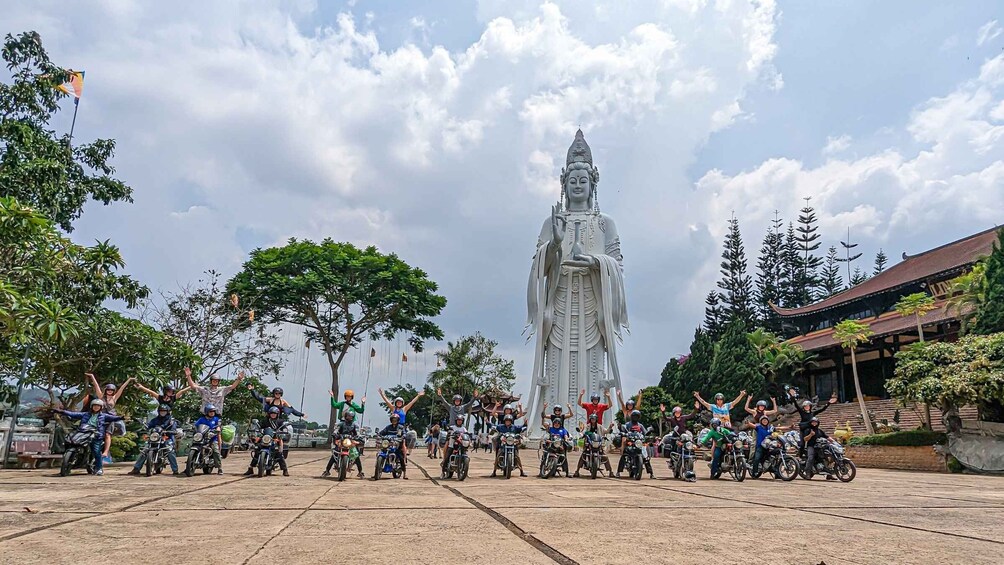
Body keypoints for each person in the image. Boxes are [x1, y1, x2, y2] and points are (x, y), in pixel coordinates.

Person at [54, 399, 124, 476]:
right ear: (91, 406)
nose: (96, 407)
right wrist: (62, 412)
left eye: (98, 406)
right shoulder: (85, 414)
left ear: (101, 407)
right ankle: (68, 464)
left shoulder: (104, 416)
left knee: (96, 451)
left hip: (96, 434)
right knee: (70, 441)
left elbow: (114, 418)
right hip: (83, 432)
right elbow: (73, 414)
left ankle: (99, 468)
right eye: (95, 406)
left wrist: (121, 417)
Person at [85, 373, 133, 462]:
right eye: (108, 390)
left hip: (110, 418)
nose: (110, 391)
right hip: (100, 417)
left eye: (111, 390)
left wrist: (129, 380)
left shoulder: (114, 398)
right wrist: (92, 376)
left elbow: (122, 388)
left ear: (113, 391)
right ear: (106, 390)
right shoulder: (101, 396)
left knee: (107, 434)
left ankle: (106, 451)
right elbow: (96, 386)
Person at [129, 404, 179, 475]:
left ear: (167, 412)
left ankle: (175, 470)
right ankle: (136, 468)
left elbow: (174, 429)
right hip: (154, 438)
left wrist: (171, 431)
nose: (162, 412)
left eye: (164, 411)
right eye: (161, 411)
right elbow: (149, 426)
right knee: (144, 450)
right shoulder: (155, 420)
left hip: (166, 438)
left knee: (170, 451)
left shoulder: (171, 421)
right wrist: (145, 428)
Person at [243, 406, 289, 476]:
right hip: (265, 438)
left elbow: (284, 429)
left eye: (274, 413)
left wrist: (281, 434)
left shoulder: (280, 421)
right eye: (271, 413)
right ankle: (250, 468)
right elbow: (259, 427)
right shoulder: (265, 421)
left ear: (277, 414)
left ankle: (285, 470)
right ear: (269, 414)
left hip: (275, 438)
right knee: (257, 450)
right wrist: (256, 434)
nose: (273, 415)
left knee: (279, 454)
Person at [323, 411, 364, 478]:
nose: (349, 418)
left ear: (353, 417)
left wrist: (359, 437)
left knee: (356, 455)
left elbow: (358, 433)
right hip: (342, 441)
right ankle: (327, 471)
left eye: (351, 417)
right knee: (334, 454)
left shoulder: (354, 425)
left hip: (350, 442)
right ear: (345, 416)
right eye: (348, 416)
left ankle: (360, 472)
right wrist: (335, 434)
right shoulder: (341, 424)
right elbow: (337, 430)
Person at [616, 410, 654, 478]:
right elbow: (624, 430)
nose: (635, 418)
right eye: (634, 416)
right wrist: (621, 430)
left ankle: (651, 473)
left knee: (646, 457)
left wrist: (648, 435)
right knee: (624, 455)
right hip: (630, 442)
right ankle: (618, 472)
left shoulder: (640, 425)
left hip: (639, 443)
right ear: (631, 417)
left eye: (637, 416)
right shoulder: (628, 424)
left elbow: (645, 433)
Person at [574, 413, 612, 477]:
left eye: (594, 419)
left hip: (598, 444)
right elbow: (583, 431)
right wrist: (582, 435)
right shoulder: (587, 426)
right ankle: (577, 471)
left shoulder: (600, 426)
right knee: (583, 455)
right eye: (592, 419)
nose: (593, 420)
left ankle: (611, 472)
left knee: (605, 456)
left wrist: (610, 427)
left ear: (596, 419)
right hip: (589, 444)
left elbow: (606, 431)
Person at [376, 413, 408, 480]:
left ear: (398, 420)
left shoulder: (400, 427)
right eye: (393, 419)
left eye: (395, 419)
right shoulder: (388, 427)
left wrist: (403, 436)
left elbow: (404, 433)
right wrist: (379, 435)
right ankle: (376, 472)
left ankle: (404, 473)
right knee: (380, 452)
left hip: (397, 444)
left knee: (401, 457)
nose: (394, 420)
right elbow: (381, 433)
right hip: (388, 444)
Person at [195, 404, 224, 475]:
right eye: (210, 411)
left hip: (212, 438)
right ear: (206, 412)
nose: (212, 413)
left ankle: (219, 468)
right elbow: (196, 425)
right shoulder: (201, 419)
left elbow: (219, 425)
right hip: (202, 438)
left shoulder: (216, 419)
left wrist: (218, 428)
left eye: (213, 411)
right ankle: (189, 465)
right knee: (192, 445)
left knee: (216, 450)